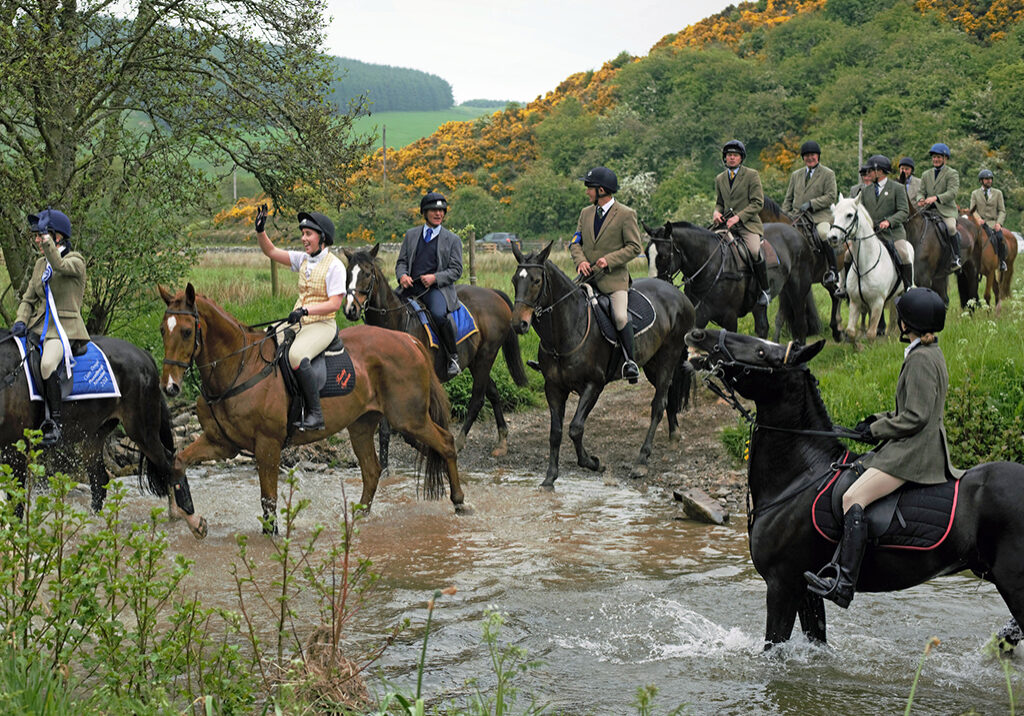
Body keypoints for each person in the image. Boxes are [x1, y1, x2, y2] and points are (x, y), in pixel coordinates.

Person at [804, 287, 961, 608]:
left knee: (853, 497)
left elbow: (915, 418)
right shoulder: (930, 353)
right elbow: (911, 411)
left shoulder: (920, 360)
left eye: (901, 317)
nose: (898, 321)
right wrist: (873, 421)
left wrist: (877, 429)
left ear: (908, 324)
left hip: (915, 453)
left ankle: (844, 582)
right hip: (914, 443)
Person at [255, 205, 345, 431]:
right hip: (300, 320)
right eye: (303, 234)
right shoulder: (303, 259)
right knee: (267, 339)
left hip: (322, 323)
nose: (303, 238)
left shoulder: (335, 266)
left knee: (296, 355)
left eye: (308, 234)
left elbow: (335, 303)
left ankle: (315, 413)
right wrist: (260, 231)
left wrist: (306, 311)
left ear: (322, 237)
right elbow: (272, 252)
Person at [12, 209, 89, 447]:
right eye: (37, 236)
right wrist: (21, 320)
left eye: (41, 235)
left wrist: (47, 245)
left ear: (57, 237)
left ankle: (54, 424)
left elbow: (60, 265)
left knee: (47, 364)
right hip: (38, 327)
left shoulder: (76, 261)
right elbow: (28, 298)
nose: (36, 240)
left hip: (63, 329)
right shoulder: (39, 265)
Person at [571, 166, 644, 382]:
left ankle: (630, 362)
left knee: (620, 316)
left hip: (613, 280)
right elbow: (575, 243)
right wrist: (581, 260)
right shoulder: (585, 213)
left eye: (589, 188)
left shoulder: (626, 214)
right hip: (587, 279)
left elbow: (634, 247)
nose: (587, 192)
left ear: (601, 190)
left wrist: (609, 260)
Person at [396, 192, 464, 378]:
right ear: (424, 213)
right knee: (386, 309)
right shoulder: (411, 235)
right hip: (410, 288)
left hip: (435, 290)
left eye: (441, 211)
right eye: (434, 210)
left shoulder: (453, 240)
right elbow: (401, 262)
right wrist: (402, 276)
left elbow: (456, 270)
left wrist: (435, 278)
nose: (438, 214)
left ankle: (453, 357)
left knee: (438, 315)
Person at [713, 139, 769, 307]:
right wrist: (716, 212)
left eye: (735, 155)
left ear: (741, 158)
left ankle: (765, 290)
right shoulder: (720, 178)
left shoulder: (752, 175)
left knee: (753, 250)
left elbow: (758, 203)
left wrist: (738, 217)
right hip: (725, 225)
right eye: (729, 155)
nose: (731, 158)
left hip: (747, 225)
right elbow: (720, 203)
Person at [782, 140, 840, 291]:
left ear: (818, 156)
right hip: (797, 217)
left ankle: (833, 270)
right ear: (803, 158)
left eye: (812, 155)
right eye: (807, 156)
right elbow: (788, 198)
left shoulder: (828, 174)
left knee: (823, 234)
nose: (810, 158)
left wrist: (812, 204)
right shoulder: (796, 175)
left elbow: (831, 196)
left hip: (819, 217)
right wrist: (784, 216)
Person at [860, 154, 912, 291]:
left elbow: (904, 211)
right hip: (872, 234)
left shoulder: (897, 188)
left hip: (892, 233)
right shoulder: (865, 191)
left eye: (870, 171)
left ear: (880, 171)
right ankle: (845, 287)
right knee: (848, 255)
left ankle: (908, 287)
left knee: (904, 254)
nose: (867, 174)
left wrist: (889, 221)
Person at [916, 142, 962, 271]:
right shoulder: (926, 174)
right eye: (934, 157)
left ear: (945, 158)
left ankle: (956, 257)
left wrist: (936, 198)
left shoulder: (952, 173)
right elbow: (921, 191)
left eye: (939, 157)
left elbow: (952, 193)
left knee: (951, 228)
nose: (936, 159)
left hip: (945, 210)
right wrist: (920, 198)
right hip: (928, 210)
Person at [969, 169, 1007, 271]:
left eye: (990, 179)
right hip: (979, 223)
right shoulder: (975, 194)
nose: (989, 181)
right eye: (986, 179)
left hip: (993, 223)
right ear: (981, 181)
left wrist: (999, 223)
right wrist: (978, 219)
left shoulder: (998, 193)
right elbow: (972, 210)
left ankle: (1002, 261)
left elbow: (1002, 211)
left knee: (1000, 238)